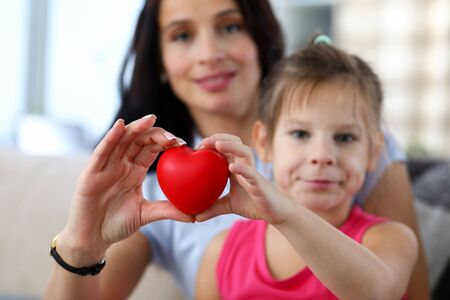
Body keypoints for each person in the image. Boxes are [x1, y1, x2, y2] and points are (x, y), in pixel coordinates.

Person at [44, 0, 430, 299]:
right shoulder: (149, 189)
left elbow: (397, 290)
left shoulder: (349, 135)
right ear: (160, 60)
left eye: (230, 26)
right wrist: (80, 243)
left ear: (259, 37)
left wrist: (286, 214)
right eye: (182, 35)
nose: (209, 52)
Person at [194, 36, 418, 299]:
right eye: (300, 134)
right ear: (264, 142)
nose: (322, 155)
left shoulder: (390, 239)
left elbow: (377, 294)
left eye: (345, 138)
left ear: (373, 151)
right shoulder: (221, 251)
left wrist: (286, 215)